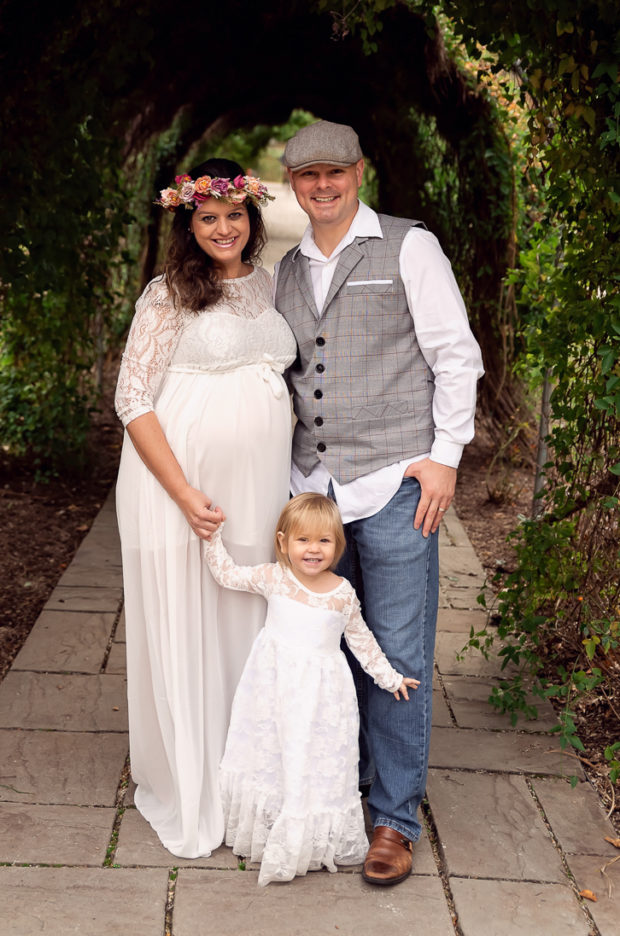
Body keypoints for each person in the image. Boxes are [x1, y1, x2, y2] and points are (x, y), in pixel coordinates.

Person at [274, 120, 484, 886]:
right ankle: (336, 794)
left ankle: (394, 818)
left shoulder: (408, 246)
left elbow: (455, 353)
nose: (321, 185)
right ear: (293, 186)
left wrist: (445, 457)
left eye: (334, 172)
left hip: (397, 482)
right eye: (306, 176)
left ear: (359, 172)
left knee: (395, 653)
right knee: (328, 650)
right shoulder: (289, 268)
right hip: (317, 495)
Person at [114, 158, 296, 858]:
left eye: (235, 215)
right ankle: (191, 781)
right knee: (188, 618)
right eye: (209, 217)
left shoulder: (270, 283)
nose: (224, 228)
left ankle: (245, 774)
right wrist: (186, 494)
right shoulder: (168, 295)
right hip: (179, 489)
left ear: (251, 218)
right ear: (189, 224)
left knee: (246, 620)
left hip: (257, 491)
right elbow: (133, 397)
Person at [203, 492, 420, 887]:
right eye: (303, 540)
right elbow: (227, 574)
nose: (313, 549)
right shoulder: (274, 578)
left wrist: (390, 677)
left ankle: (309, 833)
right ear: (284, 542)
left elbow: (362, 640)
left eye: (324, 540)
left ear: (337, 546)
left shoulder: (341, 593)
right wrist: (211, 537)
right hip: (272, 689)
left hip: (323, 698)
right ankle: (272, 823)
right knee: (273, 751)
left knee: (314, 756)